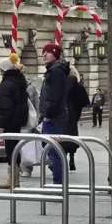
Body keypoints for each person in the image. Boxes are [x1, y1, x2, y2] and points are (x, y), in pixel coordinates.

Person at [0, 55, 30, 189]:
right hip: (18, 119)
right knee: (15, 147)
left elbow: (5, 106)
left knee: (10, 148)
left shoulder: (6, 84)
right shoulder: (18, 81)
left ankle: (13, 178)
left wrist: (1, 124)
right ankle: (15, 177)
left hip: (9, 120)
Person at [38, 43, 69, 184]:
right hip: (53, 116)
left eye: (48, 52)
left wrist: (47, 114)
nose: (44, 54)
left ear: (55, 55)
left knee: (53, 151)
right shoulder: (53, 70)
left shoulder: (56, 71)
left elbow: (55, 97)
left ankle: (59, 184)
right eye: (43, 52)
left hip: (54, 117)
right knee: (52, 150)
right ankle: (59, 182)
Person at [62, 66, 91, 171]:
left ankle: (63, 159)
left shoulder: (62, 85)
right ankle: (72, 159)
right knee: (72, 137)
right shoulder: (79, 87)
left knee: (62, 137)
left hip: (63, 114)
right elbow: (85, 102)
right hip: (74, 116)